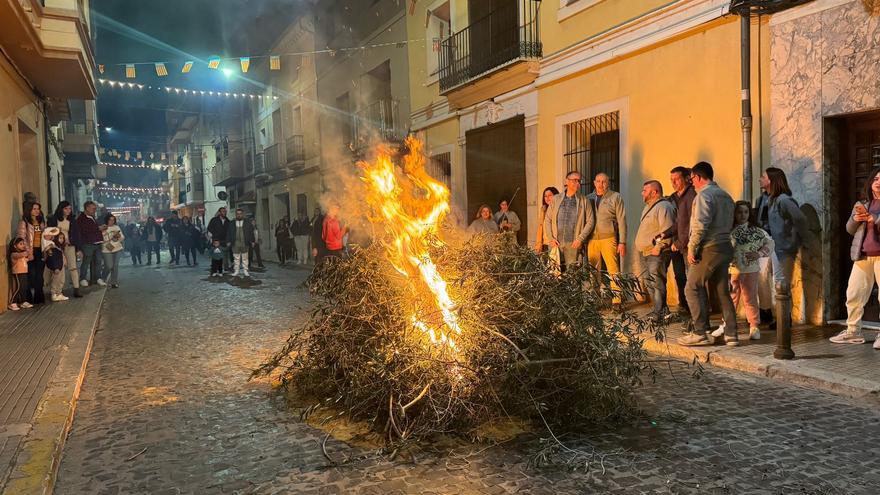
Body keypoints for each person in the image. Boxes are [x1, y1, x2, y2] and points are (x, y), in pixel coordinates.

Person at [678, 162, 740, 347]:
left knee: (691, 287)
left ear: (697, 177)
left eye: (692, 180)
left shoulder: (704, 195)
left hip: (709, 247)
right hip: (725, 246)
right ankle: (731, 334)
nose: (692, 184)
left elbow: (700, 225)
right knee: (722, 291)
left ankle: (700, 332)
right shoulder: (726, 196)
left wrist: (691, 248)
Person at [831, 167, 880, 348]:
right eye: (875, 179)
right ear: (870, 183)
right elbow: (849, 229)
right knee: (854, 293)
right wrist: (857, 219)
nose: (878, 182)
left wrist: (874, 219)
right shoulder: (863, 203)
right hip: (862, 255)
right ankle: (853, 331)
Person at [758, 167, 811, 327]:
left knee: (782, 284)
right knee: (773, 282)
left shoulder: (783, 200)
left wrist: (793, 241)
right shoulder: (768, 199)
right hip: (772, 247)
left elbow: (800, 219)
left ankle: (784, 319)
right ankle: (777, 316)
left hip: (783, 249)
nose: (760, 179)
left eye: (763, 176)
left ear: (771, 180)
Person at [712, 201, 771, 341]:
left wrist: (759, 253)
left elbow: (769, 242)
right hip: (732, 269)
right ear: (734, 214)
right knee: (731, 297)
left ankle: (754, 325)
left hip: (750, 269)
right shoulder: (729, 230)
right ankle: (727, 324)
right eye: (739, 212)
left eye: (746, 212)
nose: (743, 215)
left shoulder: (756, 231)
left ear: (750, 213)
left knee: (750, 297)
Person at [634, 180, 675, 318]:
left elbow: (667, 229)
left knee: (657, 282)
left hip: (657, 252)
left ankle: (659, 312)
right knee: (649, 281)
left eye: (645, 190)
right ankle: (661, 310)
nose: (642, 193)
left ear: (655, 192)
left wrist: (659, 246)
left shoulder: (664, 207)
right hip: (646, 251)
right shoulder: (648, 207)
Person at [543, 171, 596, 272]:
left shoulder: (584, 201)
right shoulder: (556, 199)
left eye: (579, 181)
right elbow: (548, 219)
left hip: (573, 244)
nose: (578, 183)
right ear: (567, 181)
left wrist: (580, 239)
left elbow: (590, 221)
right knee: (555, 274)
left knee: (572, 275)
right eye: (575, 180)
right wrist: (551, 238)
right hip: (556, 244)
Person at [668, 166, 696, 316]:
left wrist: (680, 242)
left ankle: (696, 312)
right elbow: (676, 222)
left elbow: (691, 223)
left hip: (688, 243)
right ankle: (684, 305)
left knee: (693, 279)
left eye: (676, 179)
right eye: (671, 180)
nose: (673, 182)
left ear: (687, 178)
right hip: (675, 242)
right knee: (679, 275)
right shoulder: (672, 198)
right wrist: (665, 234)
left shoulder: (691, 195)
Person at [586, 173, 626, 276]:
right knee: (593, 272)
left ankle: (617, 292)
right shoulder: (588, 198)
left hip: (609, 238)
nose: (601, 184)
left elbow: (621, 220)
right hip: (592, 240)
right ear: (594, 183)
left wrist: (622, 242)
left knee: (613, 271)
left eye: (604, 181)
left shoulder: (615, 197)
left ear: (608, 183)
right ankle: (595, 292)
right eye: (598, 181)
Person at [47, 201, 83, 298]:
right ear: (61, 209)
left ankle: (76, 288)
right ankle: (57, 290)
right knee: (58, 268)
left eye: (70, 209)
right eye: (66, 208)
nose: (68, 211)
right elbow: (50, 232)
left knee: (73, 267)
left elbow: (77, 234)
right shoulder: (54, 219)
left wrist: (78, 248)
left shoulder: (72, 220)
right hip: (57, 247)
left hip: (70, 245)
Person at [17, 201, 47, 305]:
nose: (37, 211)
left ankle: (39, 298)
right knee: (31, 275)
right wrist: (28, 252)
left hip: (40, 251)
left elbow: (44, 235)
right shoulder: (24, 222)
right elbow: (21, 238)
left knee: (39, 276)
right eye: (34, 209)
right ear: (29, 210)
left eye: (38, 209)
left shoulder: (41, 221)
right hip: (30, 251)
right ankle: (28, 298)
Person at [76, 201, 105, 287]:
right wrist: (98, 228)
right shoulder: (81, 219)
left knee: (98, 261)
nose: (95, 210)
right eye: (93, 209)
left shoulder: (92, 217)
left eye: (95, 209)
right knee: (86, 261)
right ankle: (83, 278)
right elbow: (84, 231)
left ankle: (98, 278)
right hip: (88, 243)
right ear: (87, 208)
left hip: (97, 242)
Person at [226, 208, 256, 277]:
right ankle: (236, 271)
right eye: (237, 214)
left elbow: (251, 232)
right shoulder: (232, 223)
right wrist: (228, 241)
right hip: (235, 242)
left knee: (245, 257)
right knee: (236, 258)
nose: (239, 215)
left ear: (243, 214)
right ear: (236, 214)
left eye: (240, 214)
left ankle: (245, 270)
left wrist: (253, 241)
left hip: (244, 242)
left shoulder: (247, 222)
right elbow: (228, 232)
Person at [42, 227, 69, 302]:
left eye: (63, 238)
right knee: (55, 280)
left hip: (61, 266)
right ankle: (54, 294)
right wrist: (55, 267)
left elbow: (62, 256)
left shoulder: (59, 247)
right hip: (57, 267)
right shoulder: (51, 247)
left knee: (61, 280)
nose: (62, 240)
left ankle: (59, 293)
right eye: (60, 238)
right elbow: (52, 258)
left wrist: (65, 262)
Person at [101, 214, 125, 288]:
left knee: (115, 266)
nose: (112, 221)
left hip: (117, 248)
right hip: (106, 249)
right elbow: (101, 238)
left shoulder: (116, 227)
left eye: (113, 220)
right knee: (109, 266)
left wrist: (118, 237)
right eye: (110, 220)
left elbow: (122, 237)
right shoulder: (103, 227)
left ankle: (114, 282)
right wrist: (110, 236)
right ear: (107, 220)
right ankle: (103, 278)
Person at [8, 237, 32, 310]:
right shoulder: (14, 254)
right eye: (21, 244)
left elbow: (26, 259)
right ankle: (12, 303)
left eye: (23, 244)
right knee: (18, 288)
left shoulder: (21, 254)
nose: (23, 245)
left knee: (24, 288)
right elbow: (21, 255)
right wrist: (28, 250)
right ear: (15, 246)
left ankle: (23, 302)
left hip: (24, 272)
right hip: (18, 273)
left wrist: (29, 257)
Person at [534, 187, 559, 253]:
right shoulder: (543, 210)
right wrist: (538, 244)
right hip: (544, 243)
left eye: (550, 195)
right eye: (545, 196)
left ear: (556, 195)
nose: (547, 198)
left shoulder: (559, 209)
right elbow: (540, 228)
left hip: (555, 243)